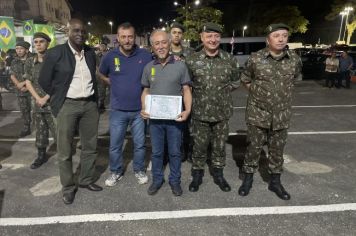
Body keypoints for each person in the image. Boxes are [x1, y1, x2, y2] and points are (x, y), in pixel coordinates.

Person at [39, 19, 103, 205]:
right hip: (67, 105)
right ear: (68, 31)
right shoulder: (56, 53)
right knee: (65, 149)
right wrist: (59, 95)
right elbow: (44, 80)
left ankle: (85, 180)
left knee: (90, 146)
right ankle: (67, 187)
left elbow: (94, 76)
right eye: (76, 30)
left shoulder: (90, 52)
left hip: (89, 105)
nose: (80, 34)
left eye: (83, 31)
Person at [238, 23, 302, 200]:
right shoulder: (256, 58)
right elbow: (245, 79)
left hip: (281, 115)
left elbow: (295, 79)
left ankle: (275, 182)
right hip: (258, 113)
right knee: (253, 148)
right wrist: (258, 94)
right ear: (268, 39)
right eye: (276, 35)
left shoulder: (294, 59)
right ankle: (247, 179)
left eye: (284, 35)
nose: (281, 39)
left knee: (277, 150)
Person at [185, 22, 240, 193]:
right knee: (199, 146)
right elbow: (186, 85)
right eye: (209, 36)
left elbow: (236, 81)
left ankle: (218, 174)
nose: (213, 39)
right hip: (200, 113)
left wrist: (220, 93)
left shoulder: (229, 59)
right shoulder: (192, 60)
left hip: (222, 113)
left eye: (216, 36)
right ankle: (197, 174)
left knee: (219, 146)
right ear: (202, 38)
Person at [99, 22, 152, 187]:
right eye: (124, 37)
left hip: (139, 110)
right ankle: (115, 171)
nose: (127, 40)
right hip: (117, 110)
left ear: (134, 37)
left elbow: (155, 72)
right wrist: (112, 82)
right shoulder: (109, 56)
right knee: (115, 145)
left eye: (130, 36)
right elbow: (100, 74)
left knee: (140, 144)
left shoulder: (145, 55)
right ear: (118, 38)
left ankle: (139, 170)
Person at [141, 30, 192, 196]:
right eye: (157, 43)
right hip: (155, 121)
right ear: (152, 47)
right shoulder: (149, 68)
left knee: (175, 152)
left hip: (175, 119)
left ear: (169, 43)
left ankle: (175, 181)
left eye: (164, 42)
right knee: (156, 152)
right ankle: (157, 180)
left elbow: (186, 90)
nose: (161, 46)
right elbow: (145, 91)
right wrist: (144, 108)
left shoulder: (180, 65)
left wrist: (187, 110)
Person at [24, 32, 56, 169]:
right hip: (37, 104)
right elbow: (28, 82)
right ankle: (41, 155)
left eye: (41, 41)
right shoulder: (30, 61)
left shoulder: (54, 59)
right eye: (35, 42)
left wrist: (46, 98)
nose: (38, 44)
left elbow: (59, 82)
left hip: (53, 102)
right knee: (40, 131)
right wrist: (38, 98)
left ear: (48, 43)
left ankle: (64, 155)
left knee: (59, 131)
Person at [169, 22, 195, 163]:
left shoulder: (190, 53)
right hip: (170, 95)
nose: (177, 35)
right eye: (174, 32)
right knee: (172, 126)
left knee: (188, 126)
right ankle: (173, 152)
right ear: (170, 34)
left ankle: (188, 151)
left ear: (182, 35)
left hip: (187, 94)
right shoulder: (164, 52)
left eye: (179, 32)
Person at [10, 41, 32, 137]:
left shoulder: (33, 59)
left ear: (26, 50)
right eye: (17, 48)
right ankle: (26, 127)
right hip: (20, 91)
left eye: (21, 48)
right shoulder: (14, 61)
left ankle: (42, 127)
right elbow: (12, 75)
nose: (18, 50)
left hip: (33, 90)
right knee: (24, 110)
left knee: (37, 110)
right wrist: (18, 84)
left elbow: (35, 74)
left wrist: (24, 84)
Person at [96, 43, 109, 110]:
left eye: (103, 47)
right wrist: (99, 74)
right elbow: (97, 66)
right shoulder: (98, 55)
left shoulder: (110, 55)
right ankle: (101, 103)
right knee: (101, 90)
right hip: (101, 75)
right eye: (101, 47)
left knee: (112, 90)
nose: (102, 48)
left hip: (109, 75)